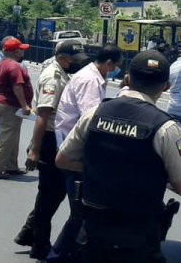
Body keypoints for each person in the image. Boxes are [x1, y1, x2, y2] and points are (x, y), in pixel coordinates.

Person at [56, 51, 181, 263]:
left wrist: (102, 170)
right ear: (166, 87)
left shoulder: (95, 113)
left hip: (93, 232)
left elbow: (63, 160)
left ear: (128, 79)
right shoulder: (166, 128)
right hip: (138, 237)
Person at [14, 39, 89, 259]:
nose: (76, 64)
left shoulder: (62, 73)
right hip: (48, 139)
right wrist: (34, 150)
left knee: (53, 193)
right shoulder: (53, 78)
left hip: (55, 137)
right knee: (50, 195)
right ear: (63, 58)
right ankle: (40, 245)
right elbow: (43, 116)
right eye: (74, 60)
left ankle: (29, 233)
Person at [49, 43, 123, 261]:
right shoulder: (90, 80)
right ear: (109, 64)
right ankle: (60, 255)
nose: (118, 69)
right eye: (117, 66)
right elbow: (90, 119)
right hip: (75, 150)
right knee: (82, 210)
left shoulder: (95, 77)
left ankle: (64, 253)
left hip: (73, 144)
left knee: (81, 209)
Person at [0, 37, 33, 179]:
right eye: (20, 50)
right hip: (9, 105)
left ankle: (11, 166)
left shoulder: (2, 63)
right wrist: (24, 105)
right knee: (6, 138)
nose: (22, 53)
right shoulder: (14, 66)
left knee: (12, 136)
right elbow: (17, 86)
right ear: (15, 52)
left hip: (3, 102)